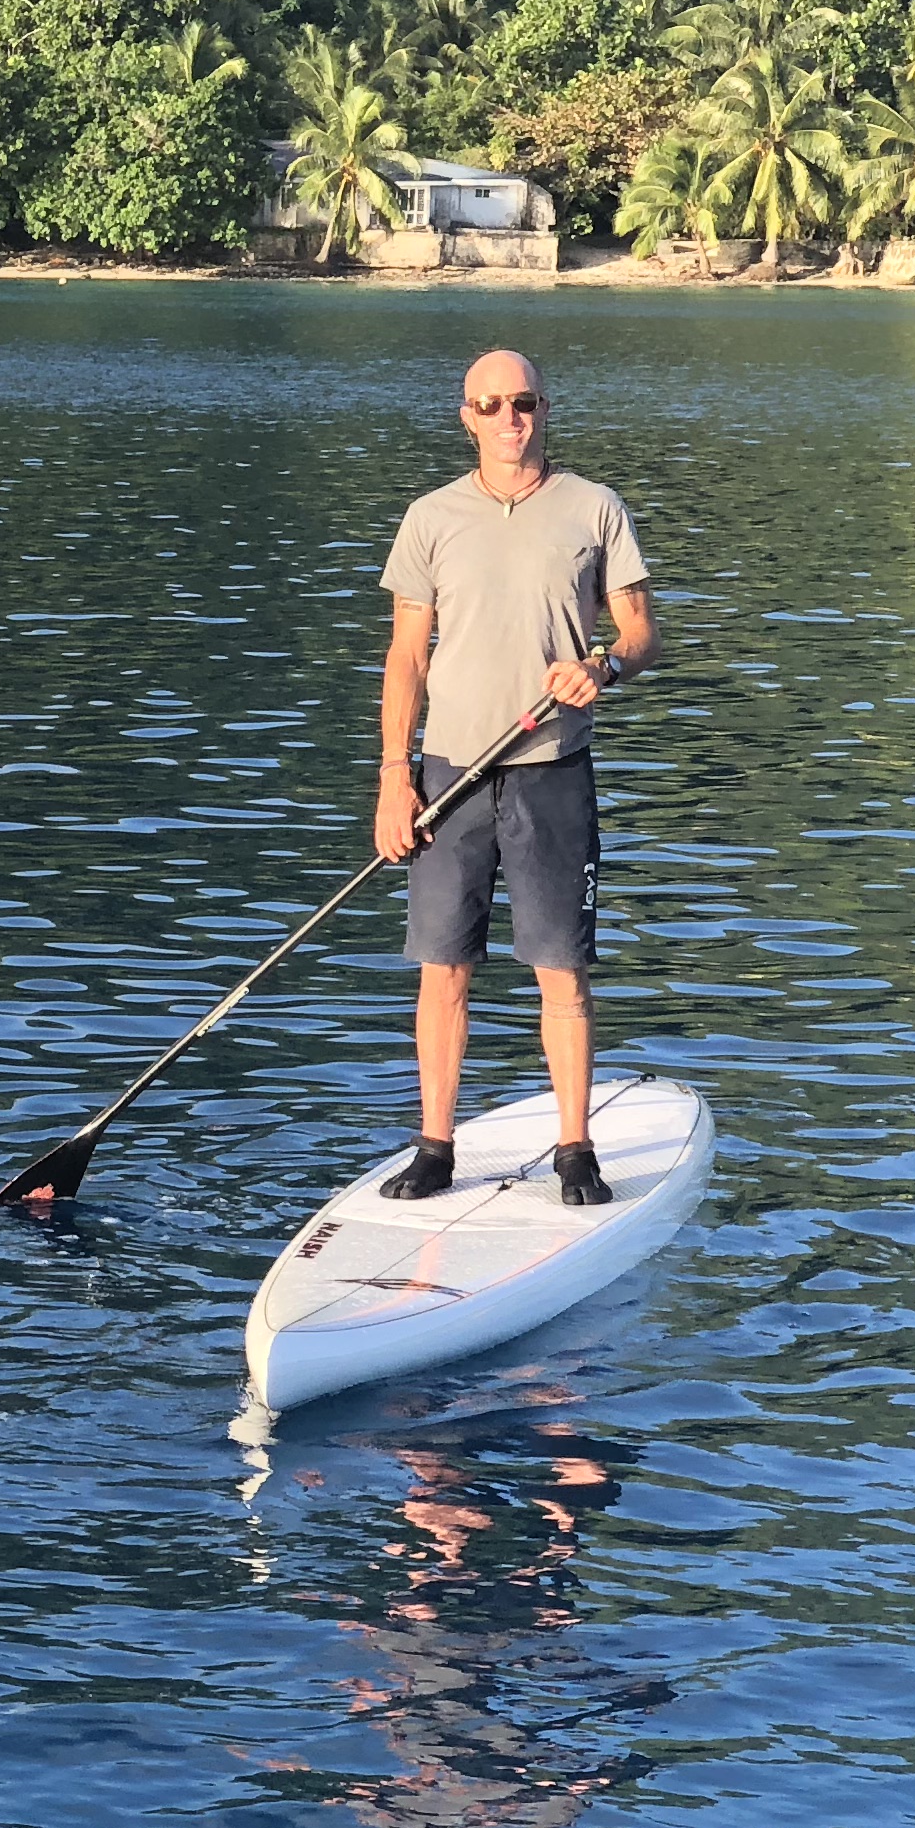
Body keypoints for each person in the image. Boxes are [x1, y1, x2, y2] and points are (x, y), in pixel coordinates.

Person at [371, 346, 656, 1205]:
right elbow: (404, 658)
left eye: (522, 402)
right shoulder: (430, 518)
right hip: (449, 774)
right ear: (466, 416)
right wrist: (395, 775)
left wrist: (603, 667)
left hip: (551, 771)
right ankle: (434, 1148)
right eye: (489, 405)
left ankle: (575, 1149)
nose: (508, 419)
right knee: (443, 968)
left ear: (543, 408)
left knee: (562, 971)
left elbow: (644, 636)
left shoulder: (594, 509)